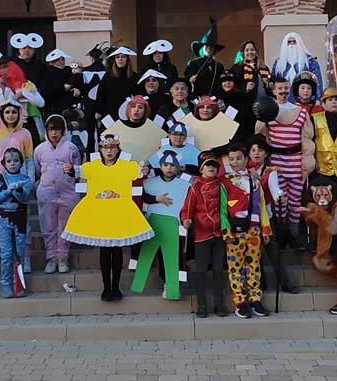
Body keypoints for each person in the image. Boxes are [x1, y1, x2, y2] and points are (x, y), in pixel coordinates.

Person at [62, 134, 153, 302]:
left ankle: (116, 287)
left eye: (112, 147)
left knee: (117, 251)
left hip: (120, 212)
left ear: (118, 149)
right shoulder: (92, 166)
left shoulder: (127, 166)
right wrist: (68, 169)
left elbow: (144, 171)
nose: (109, 151)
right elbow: (74, 172)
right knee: (104, 251)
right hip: (100, 214)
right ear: (100, 149)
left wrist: (146, 169)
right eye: (105, 147)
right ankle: (106, 288)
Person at [254, 76, 315, 237]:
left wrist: (307, 162)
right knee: (278, 200)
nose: (283, 91)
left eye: (286, 88)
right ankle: (281, 234)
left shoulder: (301, 112)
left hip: (295, 162)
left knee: (295, 201)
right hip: (276, 162)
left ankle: (294, 236)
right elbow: (261, 138)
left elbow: (307, 140)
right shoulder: (268, 110)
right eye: (280, 88)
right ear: (274, 90)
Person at [0, 100, 35, 277]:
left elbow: (28, 158)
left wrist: (30, 181)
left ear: (19, 113)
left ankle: (25, 257)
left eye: (14, 112)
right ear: (2, 114)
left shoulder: (25, 133)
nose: (10, 115)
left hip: (20, 183)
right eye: (7, 112)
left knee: (23, 221)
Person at [131, 149, 191, 300]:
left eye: (172, 165)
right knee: (151, 253)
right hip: (154, 222)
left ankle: (172, 286)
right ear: (160, 166)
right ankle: (139, 284)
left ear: (178, 167)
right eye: (165, 164)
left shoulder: (185, 184)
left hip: (174, 224)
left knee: (174, 255)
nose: (169, 168)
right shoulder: (150, 183)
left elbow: (187, 204)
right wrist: (156, 199)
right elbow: (142, 197)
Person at [222, 143, 272, 318]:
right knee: (235, 266)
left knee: (254, 265)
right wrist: (225, 230)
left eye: (239, 158)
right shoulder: (225, 181)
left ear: (246, 159)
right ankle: (240, 301)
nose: (235, 162)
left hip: (254, 230)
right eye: (232, 159)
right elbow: (221, 208)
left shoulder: (255, 181)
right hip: (235, 231)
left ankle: (255, 299)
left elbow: (262, 207)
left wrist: (266, 229)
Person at [249, 135, 298, 294]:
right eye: (253, 150)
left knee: (272, 250)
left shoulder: (270, 171)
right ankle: (260, 281)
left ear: (266, 154)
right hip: (248, 217)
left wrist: (280, 197)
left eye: (260, 150)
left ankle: (284, 282)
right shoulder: (242, 169)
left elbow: (275, 188)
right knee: (254, 251)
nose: (256, 153)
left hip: (266, 215)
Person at [181, 157, 228, 318]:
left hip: (220, 231)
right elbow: (187, 208)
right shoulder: (195, 187)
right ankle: (201, 305)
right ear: (201, 169)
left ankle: (219, 304)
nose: (211, 168)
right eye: (208, 166)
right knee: (200, 269)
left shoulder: (223, 185)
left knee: (218, 269)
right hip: (202, 232)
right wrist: (186, 219)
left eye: (214, 166)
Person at [34, 114, 81, 274]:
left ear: (63, 131)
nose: (54, 133)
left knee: (65, 226)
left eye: (58, 130)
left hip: (67, 193)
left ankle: (62, 258)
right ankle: (51, 257)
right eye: (51, 130)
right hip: (46, 193)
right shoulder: (39, 149)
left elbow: (78, 170)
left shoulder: (71, 148)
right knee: (48, 226)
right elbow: (38, 170)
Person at [185, 21, 227, 98]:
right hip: (196, 99)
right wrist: (190, 80)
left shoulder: (219, 66)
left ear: (215, 50)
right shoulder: (193, 64)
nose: (209, 48)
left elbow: (220, 85)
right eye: (207, 46)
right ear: (202, 48)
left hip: (213, 99)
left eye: (212, 47)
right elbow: (186, 82)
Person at [96, 47, 138, 121]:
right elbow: (101, 94)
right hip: (109, 113)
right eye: (117, 57)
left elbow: (138, 95)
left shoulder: (134, 76)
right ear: (115, 60)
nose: (120, 59)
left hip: (127, 113)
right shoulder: (108, 75)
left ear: (127, 59)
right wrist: (98, 110)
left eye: (123, 57)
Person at [40, 49, 80, 118]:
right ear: (53, 62)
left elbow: (76, 82)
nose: (62, 61)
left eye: (63, 59)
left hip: (70, 107)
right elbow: (46, 92)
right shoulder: (48, 74)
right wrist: (63, 88)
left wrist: (76, 88)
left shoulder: (69, 71)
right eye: (60, 60)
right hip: (54, 108)